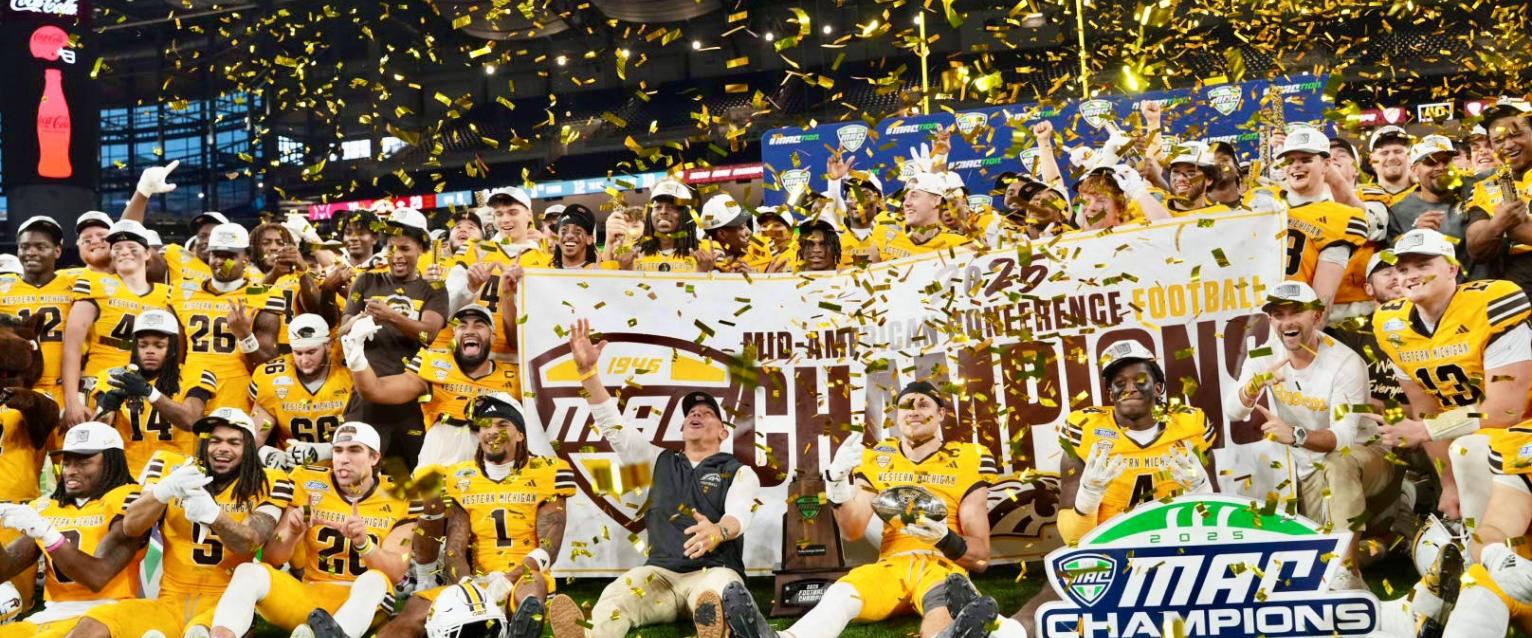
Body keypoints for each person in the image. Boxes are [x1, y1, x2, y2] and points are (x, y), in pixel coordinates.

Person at [726, 378, 999, 638]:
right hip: (890, 566)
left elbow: (981, 557)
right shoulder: (880, 456)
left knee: (942, 605)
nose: (913, 411)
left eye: (923, 404)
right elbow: (852, 529)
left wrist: (944, 537)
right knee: (841, 593)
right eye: (906, 405)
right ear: (895, 417)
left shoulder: (968, 456)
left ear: (941, 414)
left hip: (940, 562)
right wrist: (837, 484)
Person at [547, 320, 759, 638]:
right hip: (660, 575)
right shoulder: (656, 459)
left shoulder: (738, 471)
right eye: (691, 413)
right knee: (614, 598)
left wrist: (718, 531)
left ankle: (713, 624)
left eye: (707, 413)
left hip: (714, 570)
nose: (696, 415)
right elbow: (611, 424)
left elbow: (739, 514)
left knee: (719, 594)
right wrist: (588, 374)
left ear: (723, 432)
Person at [69, 407, 294, 638]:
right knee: (92, 626)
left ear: (248, 447)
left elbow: (250, 542)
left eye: (234, 442)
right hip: (170, 600)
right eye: (215, 440)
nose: (222, 449)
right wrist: (163, 491)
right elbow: (132, 526)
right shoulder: (172, 468)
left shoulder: (268, 481)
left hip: (226, 605)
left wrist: (214, 515)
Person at [1227, 281, 1392, 588]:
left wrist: (1296, 434)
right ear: (1272, 321)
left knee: (1337, 463)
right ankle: (1385, 542)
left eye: (1296, 312)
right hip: (1302, 461)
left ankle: (1349, 577)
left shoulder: (1344, 362)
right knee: (1310, 556)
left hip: (1363, 456)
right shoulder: (1264, 354)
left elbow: (1343, 437)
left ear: (1316, 317)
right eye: (1278, 314)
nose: (1287, 322)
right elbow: (1234, 411)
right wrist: (1254, 386)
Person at [1366, 229, 1532, 527]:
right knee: (1465, 451)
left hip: (1523, 424)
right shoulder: (1391, 323)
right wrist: (1449, 482)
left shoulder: (1492, 303)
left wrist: (1427, 430)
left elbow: (1506, 410)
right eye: (1402, 269)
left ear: (1452, 269)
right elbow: (1424, 407)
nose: (1410, 276)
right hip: (1472, 432)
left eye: (1423, 265)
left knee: (1468, 450)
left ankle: (1484, 558)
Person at [376, 393, 572, 638]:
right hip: (478, 583)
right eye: (485, 425)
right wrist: (468, 585)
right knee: (415, 609)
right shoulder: (460, 477)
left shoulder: (549, 470)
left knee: (530, 592)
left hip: (525, 576)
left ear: (520, 434)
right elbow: (455, 548)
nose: (492, 431)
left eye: (503, 424)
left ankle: (520, 629)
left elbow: (549, 545)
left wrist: (508, 580)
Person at [204, 422, 416, 638]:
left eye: (354, 450)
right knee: (249, 572)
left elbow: (395, 572)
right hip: (312, 593)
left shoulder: (400, 494)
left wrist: (364, 544)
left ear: (374, 458)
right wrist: (293, 533)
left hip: (365, 601)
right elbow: (271, 558)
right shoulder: (307, 481)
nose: (343, 458)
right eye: (338, 450)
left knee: (374, 579)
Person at [0, 422, 146, 638]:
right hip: (55, 612)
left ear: (111, 462)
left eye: (84, 462)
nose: (71, 471)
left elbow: (97, 577)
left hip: (109, 611)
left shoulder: (127, 499)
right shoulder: (47, 507)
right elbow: (6, 568)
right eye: (67, 463)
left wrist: (46, 533)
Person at [347, 304, 519, 467]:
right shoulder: (433, 363)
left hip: (491, 476)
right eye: (462, 326)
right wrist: (356, 356)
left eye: (479, 325)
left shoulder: (515, 377)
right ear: (454, 336)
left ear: (493, 336)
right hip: (440, 469)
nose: (469, 331)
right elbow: (375, 390)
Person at [339, 208, 448, 464]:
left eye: (405, 249)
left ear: (421, 248)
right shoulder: (365, 281)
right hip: (366, 398)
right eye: (391, 248)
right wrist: (359, 320)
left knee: (414, 480)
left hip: (412, 402)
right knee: (359, 474)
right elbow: (342, 331)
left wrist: (391, 316)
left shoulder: (434, 289)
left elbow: (428, 333)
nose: (397, 256)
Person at [1243, 126, 1370, 310]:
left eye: (1306, 159)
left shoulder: (1341, 217)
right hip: (1249, 313)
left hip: (1294, 316)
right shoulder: (1258, 198)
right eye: (1290, 160)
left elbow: (1321, 302)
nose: (1296, 165)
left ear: (1326, 165)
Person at [61, 220, 172, 427]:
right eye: (117, 248)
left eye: (132, 247)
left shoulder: (167, 295)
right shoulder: (94, 285)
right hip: (98, 383)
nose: (124, 252)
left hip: (146, 385)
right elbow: (72, 349)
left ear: (148, 253)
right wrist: (72, 400)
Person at [170, 223, 284, 412]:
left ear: (246, 258)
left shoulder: (263, 295)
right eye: (216, 255)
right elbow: (177, 353)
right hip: (190, 384)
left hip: (237, 388)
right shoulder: (182, 290)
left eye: (230, 256)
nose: (220, 262)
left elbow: (267, 364)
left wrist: (245, 336)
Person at [89, 309, 216, 478]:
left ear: (172, 348)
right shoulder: (113, 376)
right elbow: (96, 436)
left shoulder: (194, 375)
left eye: (159, 345)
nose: (150, 351)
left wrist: (149, 392)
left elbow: (191, 420)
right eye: (143, 345)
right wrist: (106, 406)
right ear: (135, 347)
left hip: (178, 470)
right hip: (127, 473)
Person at [249, 313, 353, 469]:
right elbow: (254, 438)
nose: (304, 360)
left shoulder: (350, 373)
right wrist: (266, 453)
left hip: (343, 469)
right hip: (292, 473)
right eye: (298, 353)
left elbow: (368, 436)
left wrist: (326, 451)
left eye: (311, 352)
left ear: (328, 346)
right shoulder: (271, 378)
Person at [1, 216, 76, 401]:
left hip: (64, 387)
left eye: (41, 247)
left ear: (57, 251)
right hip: (15, 385)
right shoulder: (3, 287)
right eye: (25, 247)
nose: (31, 252)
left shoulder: (76, 282)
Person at [1466, 100, 1532, 297]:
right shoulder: (1487, 186)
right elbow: (1475, 248)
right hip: (1517, 292)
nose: (1509, 145)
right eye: (1499, 140)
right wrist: (1499, 224)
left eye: (1516, 135)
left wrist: (1514, 229)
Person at [1327, 253, 1405, 410]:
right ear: (1368, 288)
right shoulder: (1346, 333)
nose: (1396, 277)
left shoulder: (1433, 328)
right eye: (1387, 273)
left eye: (1403, 270)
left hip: (1420, 427)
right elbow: (1333, 393)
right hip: (1362, 427)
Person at [1389, 136, 1470, 261]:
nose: (1441, 168)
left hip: (1486, 280)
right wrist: (1416, 236)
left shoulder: (1471, 188)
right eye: (1431, 163)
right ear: (1414, 169)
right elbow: (1392, 260)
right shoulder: (1399, 212)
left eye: (1446, 161)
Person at [869, 173, 972, 261]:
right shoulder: (883, 223)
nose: (906, 203)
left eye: (914, 196)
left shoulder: (958, 244)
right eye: (905, 198)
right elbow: (868, 276)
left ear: (936, 201)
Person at [611, 179, 706, 272]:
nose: (663, 212)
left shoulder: (705, 251)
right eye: (657, 207)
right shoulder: (629, 251)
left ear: (686, 214)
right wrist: (627, 268)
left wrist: (703, 272)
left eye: (672, 207)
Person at [825, 154, 886, 267]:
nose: (857, 200)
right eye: (852, 196)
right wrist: (834, 181)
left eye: (864, 195)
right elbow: (833, 205)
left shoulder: (890, 231)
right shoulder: (837, 233)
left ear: (878, 201)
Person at [1072, 163, 1171, 230]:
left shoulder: (1135, 231)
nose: (1091, 207)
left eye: (1100, 200)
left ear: (1119, 209)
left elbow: (1168, 231)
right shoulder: (1068, 240)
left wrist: (1138, 191)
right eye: (1086, 200)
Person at [699, 193, 772, 273]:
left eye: (746, 225)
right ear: (722, 234)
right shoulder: (698, 264)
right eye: (742, 228)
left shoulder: (761, 248)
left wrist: (753, 280)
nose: (749, 232)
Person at [1367, 125, 1418, 206]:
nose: (1391, 158)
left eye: (1398, 151)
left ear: (1410, 155)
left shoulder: (1428, 195)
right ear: (1372, 159)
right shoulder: (1361, 198)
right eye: (1384, 153)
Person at [548, 205, 599, 270]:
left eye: (578, 231)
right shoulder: (544, 269)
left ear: (589, 239)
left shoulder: (602, 271)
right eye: (564, 230)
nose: (569, 235)